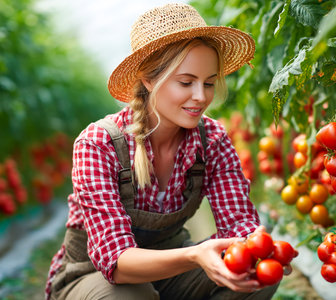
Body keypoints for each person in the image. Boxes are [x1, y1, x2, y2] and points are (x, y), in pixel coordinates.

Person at [45, 3, 284, 299]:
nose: (200, 97)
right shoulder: (99, 144)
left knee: (257, 270)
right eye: (186, 82)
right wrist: (195, 255)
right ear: (148, 79)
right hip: (94, 278)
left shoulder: (212, 140)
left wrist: (258, 245)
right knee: (130, 296)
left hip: (172, 275)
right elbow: (115, 262)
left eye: (209, 83)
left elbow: (240, 223)